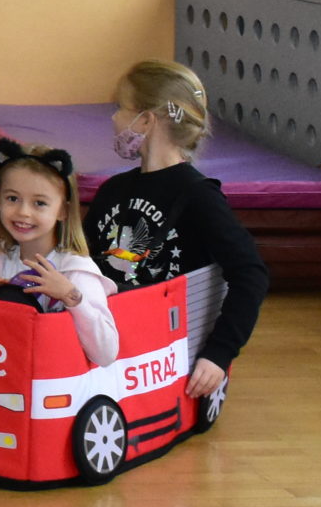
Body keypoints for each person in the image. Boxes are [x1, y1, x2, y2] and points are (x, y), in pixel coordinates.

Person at [87, 60, 269, 402]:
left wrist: (219, 353)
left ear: (146, 120)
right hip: (107, 346)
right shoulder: (111, 190)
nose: (113, 118)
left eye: (120, 108)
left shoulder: (198, 196)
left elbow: (250, 273)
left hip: (161, 359)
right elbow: (82, 259)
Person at [0, 141, 118, 368]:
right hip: (4, 375)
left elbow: (106, 353)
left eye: (40, 203)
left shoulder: (75, 270)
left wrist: (70, 296)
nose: (23, 212)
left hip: (53, 379)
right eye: (12, 198)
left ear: (62, 210)